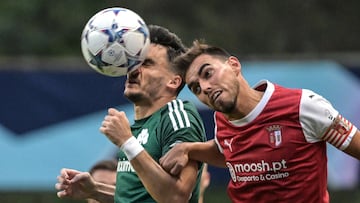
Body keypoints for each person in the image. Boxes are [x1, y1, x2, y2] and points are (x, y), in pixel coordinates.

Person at [159, 40, 360, 202]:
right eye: (195, 88)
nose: (205, 87)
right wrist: (188, 149)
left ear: (234, 65)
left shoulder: (303, 106)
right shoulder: (221, 119)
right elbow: (226, 152)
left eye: (208, 73)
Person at [55, 25, 207, 203]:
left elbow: (177, 197)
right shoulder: (137, 128)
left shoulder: (177, 116)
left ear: (173, 81)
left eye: (147, 63)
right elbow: (145, 197)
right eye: (134, 61)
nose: (133, 69)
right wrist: (96, 191)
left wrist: (127, 142)